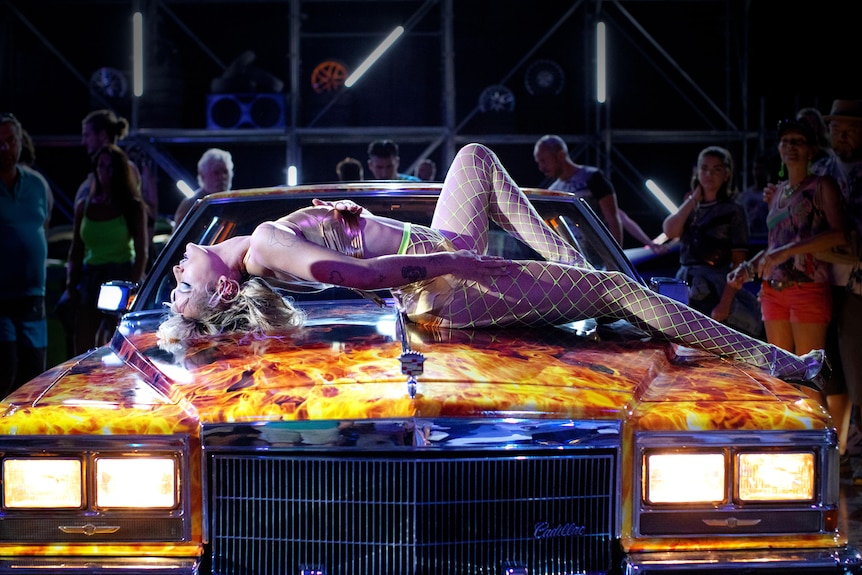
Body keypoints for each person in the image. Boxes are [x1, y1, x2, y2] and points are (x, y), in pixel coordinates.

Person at [158, 143, 823, 384]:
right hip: (444, 289)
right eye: (183, 288)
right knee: (619, 288)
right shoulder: (269, 244)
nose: (178, 268)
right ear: (220, 284)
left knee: (474, 157)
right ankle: (774, 360)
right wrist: (459, 258)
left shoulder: (268, 243)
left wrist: (350, 221)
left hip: (434, 268)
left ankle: (565, 258)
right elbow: (360, 278)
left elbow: (356, 259)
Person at [729, 119, 846, 406]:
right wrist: (749, 267)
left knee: (807, 373)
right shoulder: (779, 191)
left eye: (798, 142)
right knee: (779, 373)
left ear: (812, 149)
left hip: (808, 287)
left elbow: (839, 233)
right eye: (786, 141)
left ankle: (819, 444)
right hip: (773, 289)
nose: (791, 147)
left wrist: (788, 251)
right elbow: (775, 244)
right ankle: (786, 441)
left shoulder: (822, 186)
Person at [811, 99, 862, 475]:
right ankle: (840, 451)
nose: (842, 134)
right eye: (836, 127)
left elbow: (852, 241)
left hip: (856, 287)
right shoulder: (820, 171)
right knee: (830, 374)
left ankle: (855, 455)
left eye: (850, 127)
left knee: (857, 373)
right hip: (821, 285)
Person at [662, 146, 762, 337]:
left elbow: (738, 261)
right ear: (697, 171)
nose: (709, 174)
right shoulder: (691, 206)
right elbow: (669, 230)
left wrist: (725, 303)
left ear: (727, 174)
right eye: (704, 168)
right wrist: (693, 199)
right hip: (685, 284)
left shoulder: (733, 210)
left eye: (716, 169)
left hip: (715, 286)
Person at [65, 144, 148, 355]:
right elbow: (76, 248)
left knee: (116, 342)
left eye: (110, 167)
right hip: (89, 275)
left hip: (119, 275)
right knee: (82, 341)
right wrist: (71, 284)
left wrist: (133, 288)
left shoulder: (132, 206)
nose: (105, 172)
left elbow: (142, 251)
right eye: (101, 166)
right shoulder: (84, 205)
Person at [0, 113, 53, 398]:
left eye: (11, 140)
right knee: (4, 367)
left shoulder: (36, 184)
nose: (5, 148)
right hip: (0, 298)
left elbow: (43, 226)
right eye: (0, 142)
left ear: (20, 141)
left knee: (34, 371)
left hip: (33, 293)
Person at [533, 135, 623, 244]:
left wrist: (614, 257)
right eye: (539, 162)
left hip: (600, 253)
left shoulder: (592, 177)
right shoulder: (552, 191)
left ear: (560, 155)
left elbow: (612, 218)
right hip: (575, 256)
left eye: (544, 160)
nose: (541, 168)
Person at [174, 148, 234, 225]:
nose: (222, 177)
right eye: (216, 172)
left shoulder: (233, 201)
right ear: (203, 176)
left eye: (225, 172)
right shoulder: (191, 204)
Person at [735, 154, 771, 243]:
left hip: (767, 240)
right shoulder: (744, 196)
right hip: (748, 240)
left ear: (767, 171)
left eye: (761, 169)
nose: (758, 172)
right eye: (756, 169)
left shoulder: (773, 194)